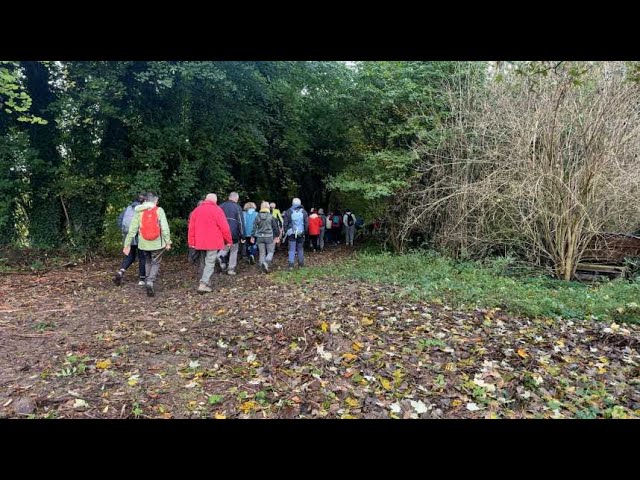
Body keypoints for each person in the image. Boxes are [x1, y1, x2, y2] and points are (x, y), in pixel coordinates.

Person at [123, 193, 171, 297]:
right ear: (154, 201)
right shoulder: (159, 210)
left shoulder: (139, 211)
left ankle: (147, 280)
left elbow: (132, 230)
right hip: (157, 243)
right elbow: (165, 228)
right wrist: (168, 241)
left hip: (143, 244)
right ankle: (150, 281)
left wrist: (127, 244)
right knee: (156, 262)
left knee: (147, 260)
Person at [188, 193, 232, 293]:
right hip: (213, 241)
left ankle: (206, 281)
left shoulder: (196, 210)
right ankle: (203, 284)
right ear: (215, 201)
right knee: (210, 262)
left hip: (199, 241)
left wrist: (191, 242)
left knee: (203, 261)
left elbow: (191, 228)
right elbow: (225, 228)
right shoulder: (217, 210)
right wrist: (228, 241)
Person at [113, 194, 147, 286]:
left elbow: (120, 221)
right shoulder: (143, 209)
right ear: (143, 201)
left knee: (129, 256)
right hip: (140, 237)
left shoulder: (127, 209)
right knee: (142, 257)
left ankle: (121, 272)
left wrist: (125, 234)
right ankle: (142, 279)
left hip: (128, 236)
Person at [217, 192, 245, 275]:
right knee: (234, 250)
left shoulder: (220, 206)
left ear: (229, 197)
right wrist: (243, 235)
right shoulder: (237, 207)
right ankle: (231, 269)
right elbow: (241, 222)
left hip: (221, 232)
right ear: (236, 198)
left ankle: (220, 257)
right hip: (233, 232)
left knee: (225, 246)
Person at [251, 201, 281, 273]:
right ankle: (266, 262)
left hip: (260, 237)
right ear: (268, 208)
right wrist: (277, 236)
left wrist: (252, 236)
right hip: (269, 237)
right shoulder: (271, 217)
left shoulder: (257, 216)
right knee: (270, 251)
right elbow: (276, 228)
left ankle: (262, 268)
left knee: (262, 253)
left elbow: (254, 227)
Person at [282, 198, 309, 270]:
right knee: (300, 248)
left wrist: (286, 231)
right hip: (301, 232)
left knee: (291, 249)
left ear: (292, 203)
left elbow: (285, 224)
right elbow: (306, 224)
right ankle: (301, 265)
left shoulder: (288, 211)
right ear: (300, 204)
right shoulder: (304, 212)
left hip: (291, 233)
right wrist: (305, 232)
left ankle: (291, 265)